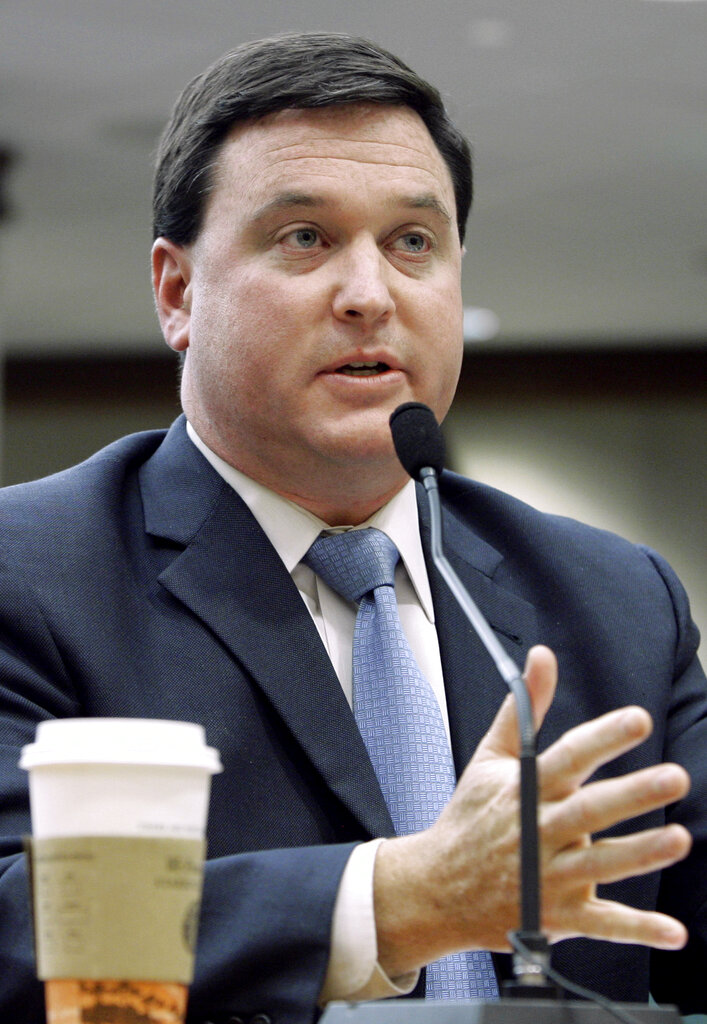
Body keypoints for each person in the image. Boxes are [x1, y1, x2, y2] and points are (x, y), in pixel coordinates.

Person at [0, 32, 705, 1024]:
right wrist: (394, 905)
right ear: (177, 292)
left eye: (412, 243)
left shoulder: (615, 600)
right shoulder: (30, 575)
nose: (369, 294)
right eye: (304, 238)